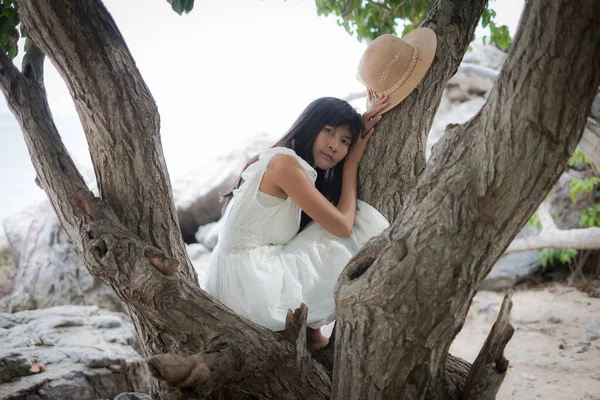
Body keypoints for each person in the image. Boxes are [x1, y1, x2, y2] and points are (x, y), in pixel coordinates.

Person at [205, 27, 437, 352]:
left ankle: (313, 337)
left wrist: (355, 133)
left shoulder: (289, 164)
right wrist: (353, 162)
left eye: (344, 141)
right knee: (362, 221)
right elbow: (342, 225)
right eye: (328, 131)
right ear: (310, 125)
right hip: (250, 287)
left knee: (317, 234)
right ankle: (318, 337)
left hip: (236, 281)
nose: (335, 146)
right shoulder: (285, 166)